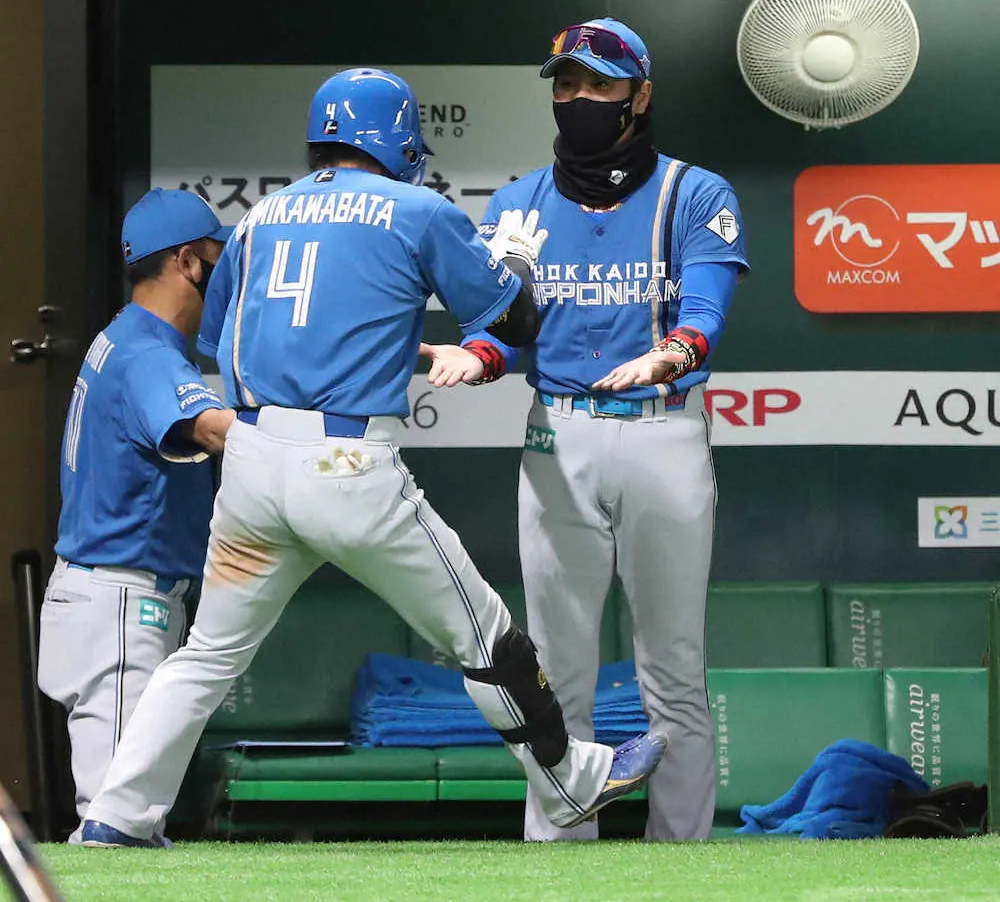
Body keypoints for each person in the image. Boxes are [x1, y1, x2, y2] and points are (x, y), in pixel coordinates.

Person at [79, 68, 665, 848]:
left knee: (205, 658)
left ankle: (115, 820)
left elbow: (219, 341)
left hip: (253, 460)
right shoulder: (417, 208)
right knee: (487, 639)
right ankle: (570, 785)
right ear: (393, 138)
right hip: (347, 464)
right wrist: (518, 262)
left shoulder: (257, 219)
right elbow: (517, 321)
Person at [420, 18, 750, 841]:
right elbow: (508, 324)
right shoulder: (520, 202)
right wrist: (478, 357)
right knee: (556, 672)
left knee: (671, 672)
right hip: (556, 434)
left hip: (661, 430)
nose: (578, 99)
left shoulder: (693, 192)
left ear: (640, 97)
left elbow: (705, 311)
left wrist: (672, 353)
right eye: (565, 84)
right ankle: (562, 863)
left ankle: (680, 862)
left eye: (599, 85)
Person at [37, 188, 235, 843]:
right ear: (187, 262)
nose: (224, 272)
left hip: (107, 594)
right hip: (122, 600)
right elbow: (210, 430)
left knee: (126, 820)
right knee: (112, 825)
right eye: (216, 256)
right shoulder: (149, 353)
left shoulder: (121, 337)